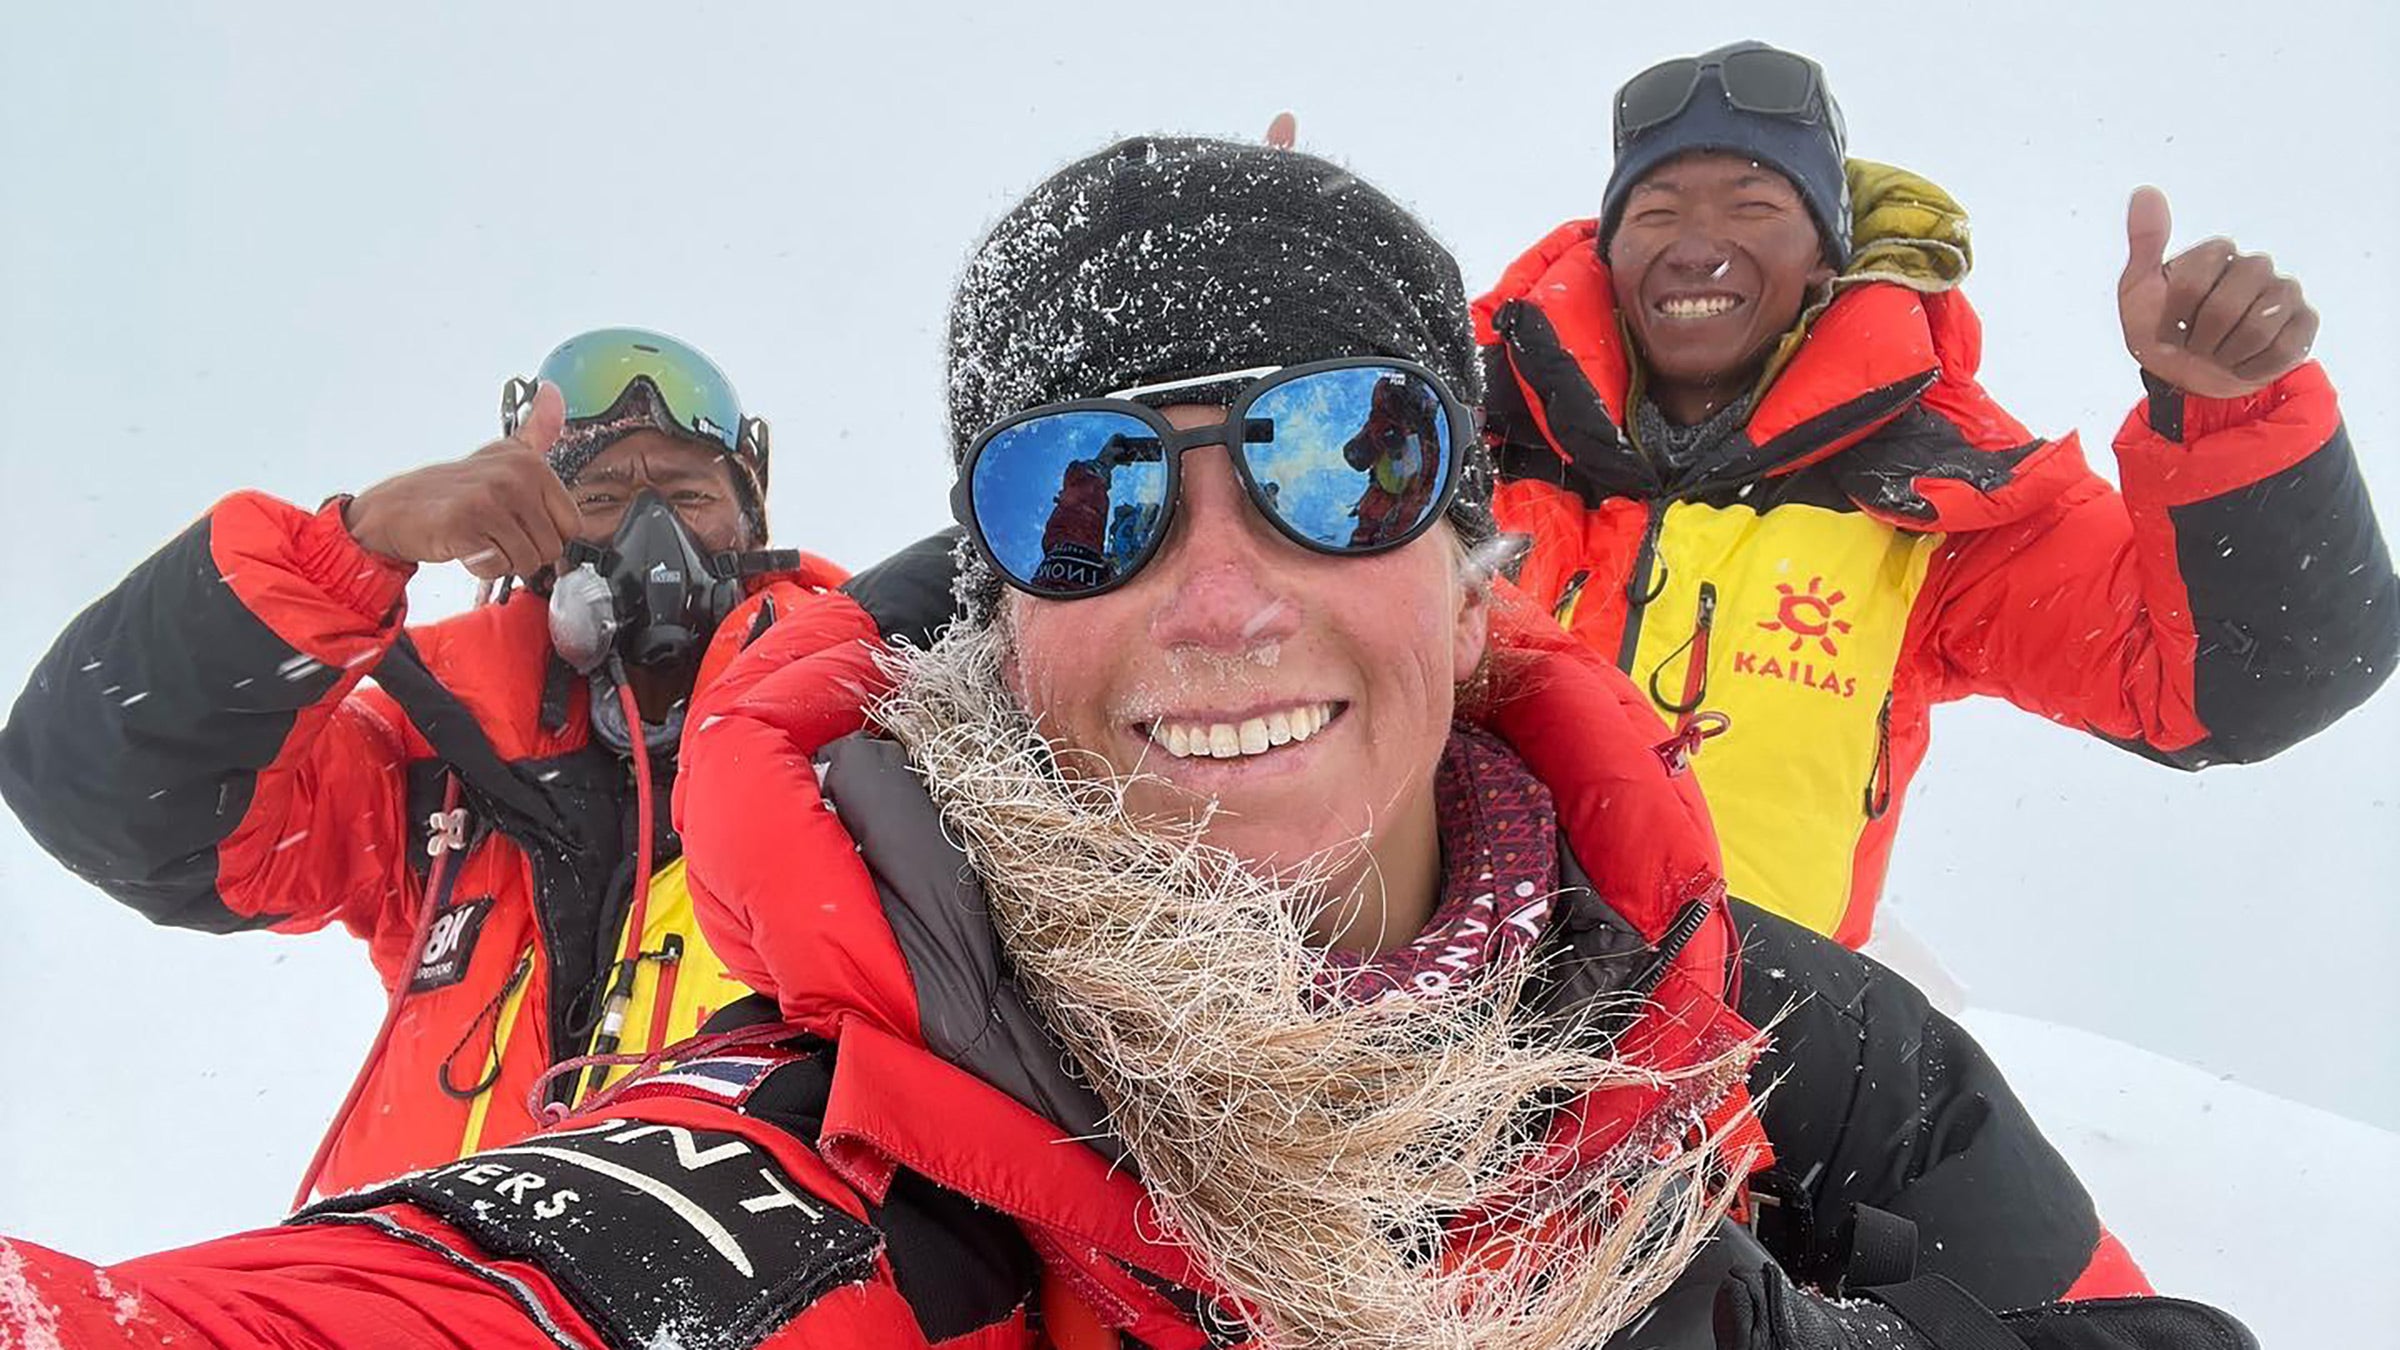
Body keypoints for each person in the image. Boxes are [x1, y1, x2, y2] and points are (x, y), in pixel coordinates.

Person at [0, 140, 2250, 1350]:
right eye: (1087, 498)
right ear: (999, 625)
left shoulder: (1791, 1048)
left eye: (1343, 459)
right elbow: (114, 802)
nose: (1217, 585)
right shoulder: (463, 757)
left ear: (1484, 575)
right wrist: (351, 552)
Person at [1477, 41, 2396, 945]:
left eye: (1754, 205)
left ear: (1826, 264)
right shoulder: (1455, 442)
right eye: (1655, 211)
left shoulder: (1938, 506)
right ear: (1610, 253)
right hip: (1408, 1035)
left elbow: (2246, 683)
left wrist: (2232, 417)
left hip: (1724, 1060)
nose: (1696, 247)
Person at [0, 327, 851, 1200]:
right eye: (600, 495)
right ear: (538, 542)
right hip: (421, 1295)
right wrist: (351, 551)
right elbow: (103, 790)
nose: (652, 528)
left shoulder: (869, 720)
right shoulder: (426, 762)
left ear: (754, 529)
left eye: (686, 492)